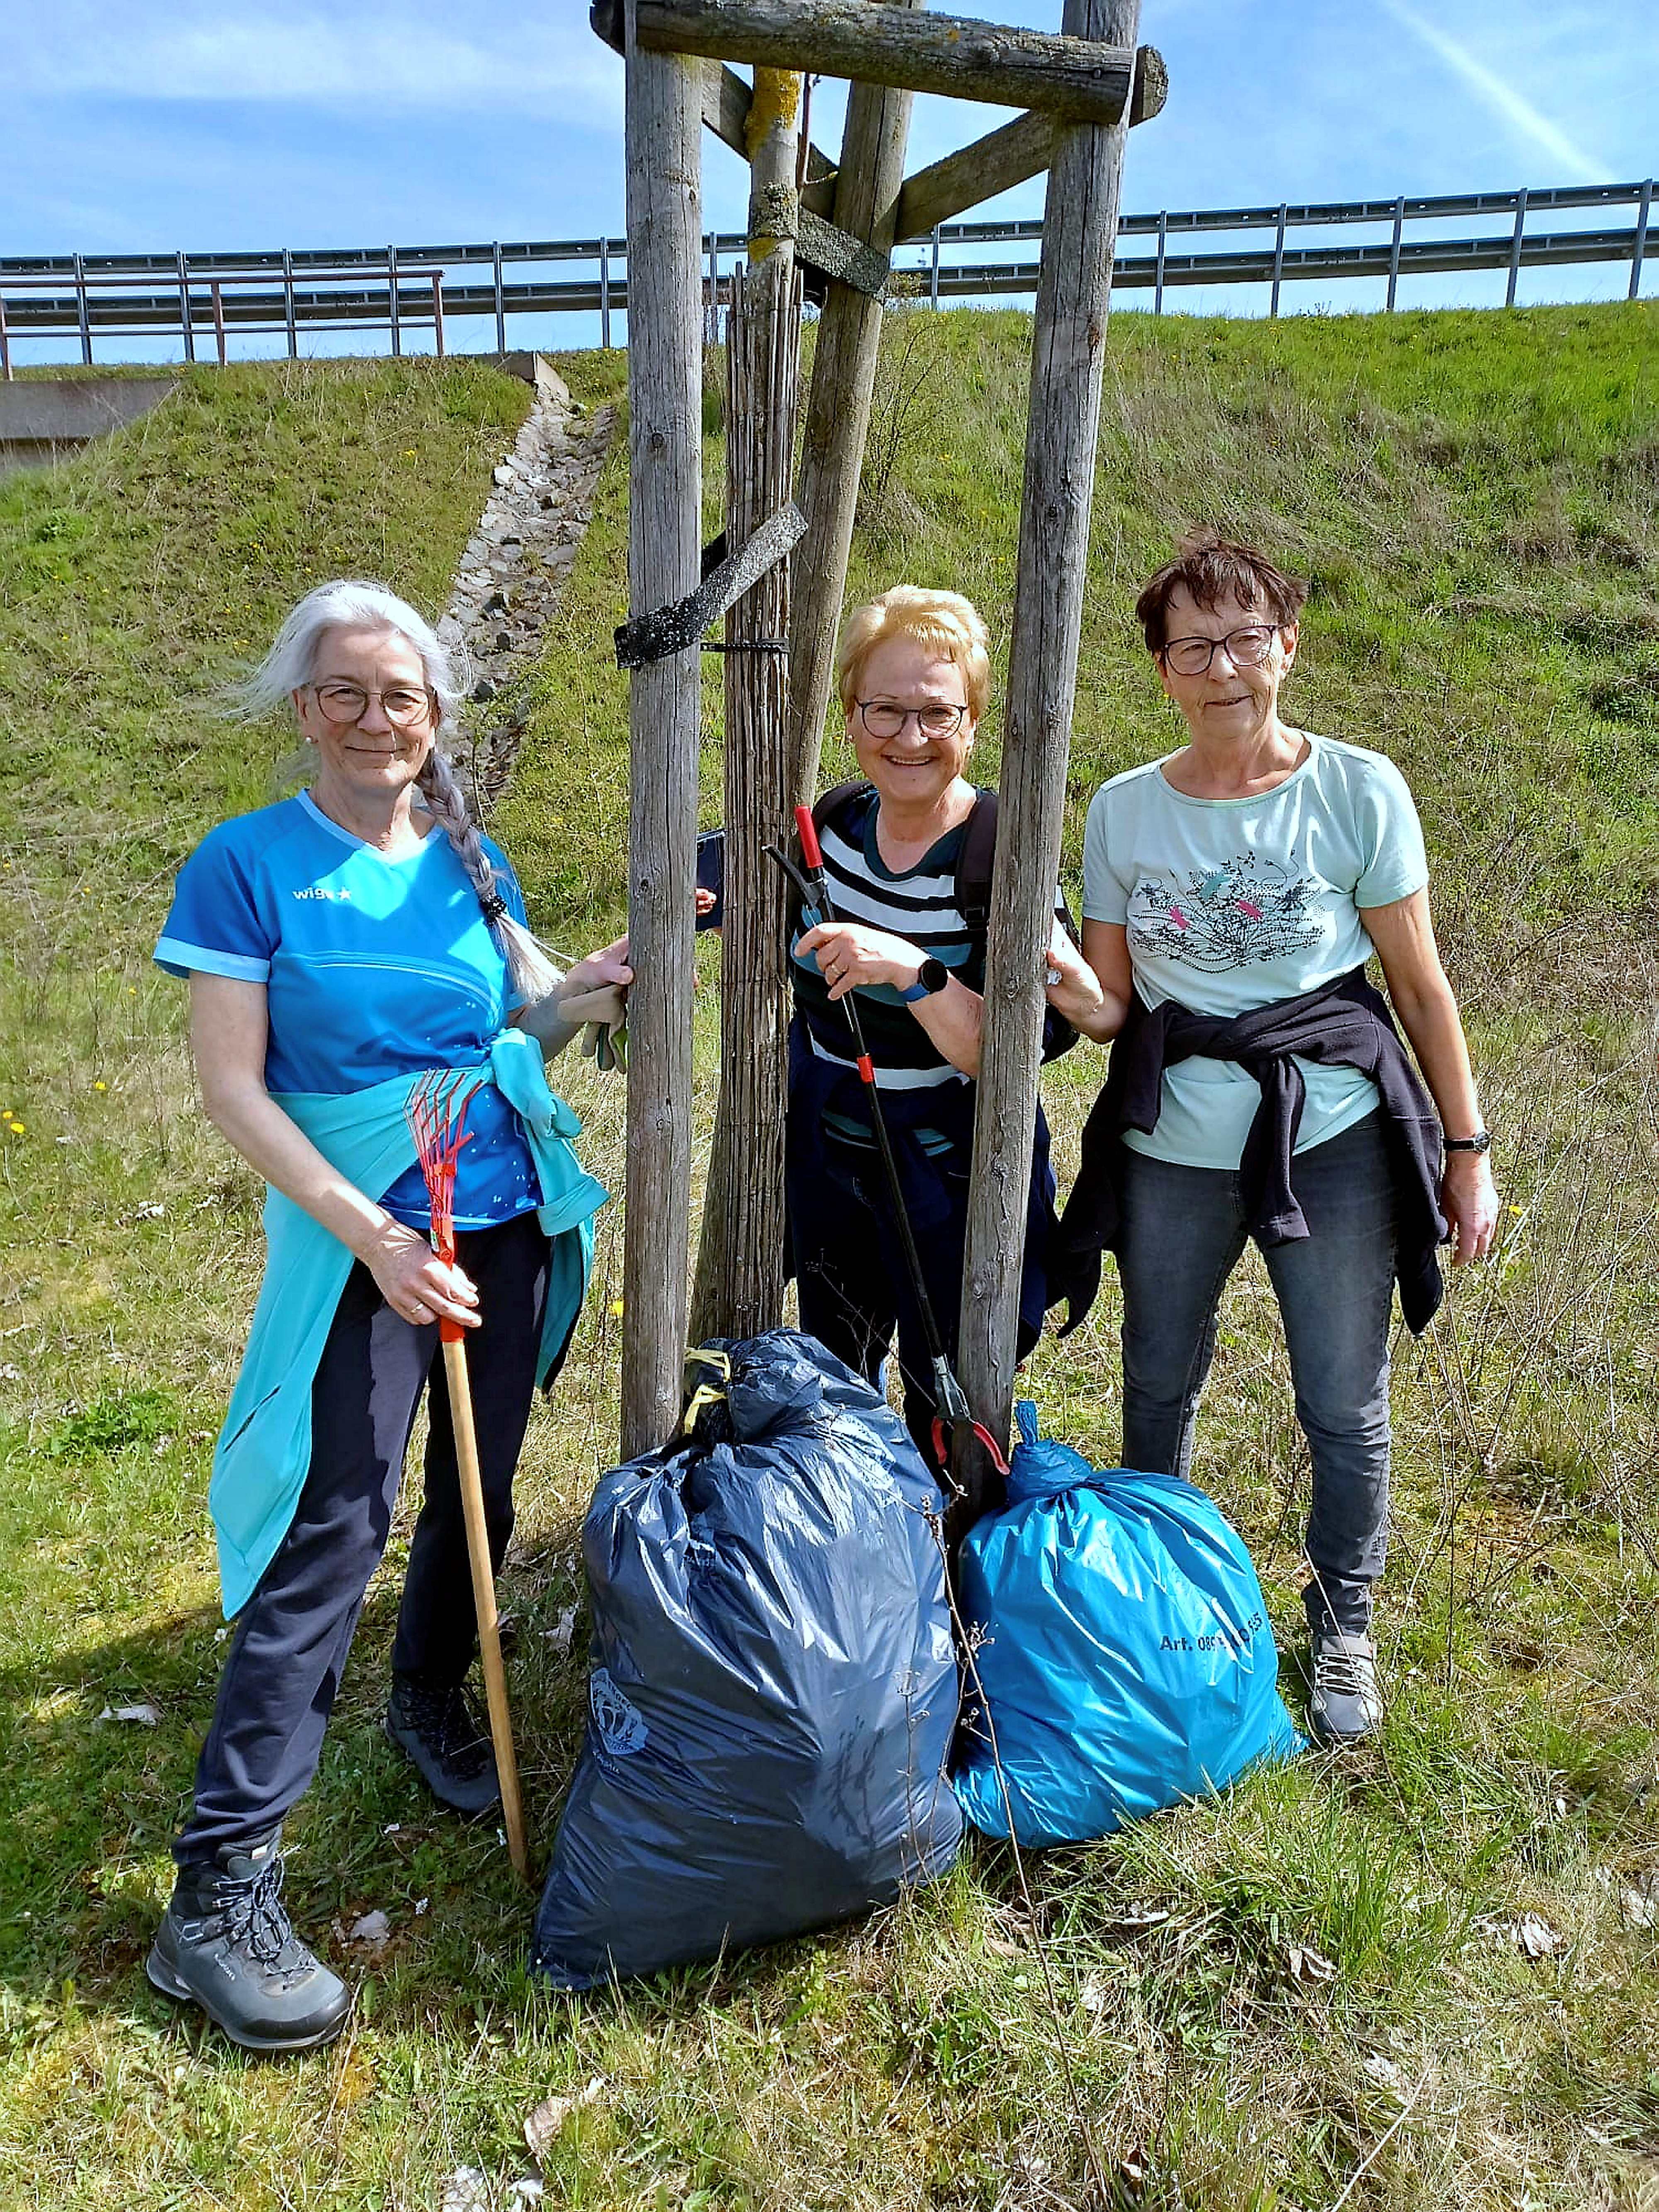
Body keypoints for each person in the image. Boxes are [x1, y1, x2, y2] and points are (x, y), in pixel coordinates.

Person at [147, 580, 628, 2052]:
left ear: (435, 716)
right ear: (305, 708)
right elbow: (236, 1089)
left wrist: (577, 997)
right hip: (367, 1235)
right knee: (335, 1517)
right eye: (345, 692)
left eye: (400, 695)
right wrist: (375, 1239)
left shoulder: (475, 858)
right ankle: (216, 1888)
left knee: (479, 1485)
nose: (375, 719)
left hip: (504, 1215)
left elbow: (502, 1036)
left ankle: (426, 1693)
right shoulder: (247, 864)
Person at [1056, 533, 1498, 1745]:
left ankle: (1343, 1617)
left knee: (1342, 1402)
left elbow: (1418, 984)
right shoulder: (1123, 809)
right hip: (1174, 1143)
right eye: (1192, 647)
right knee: (1157, 1380)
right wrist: (1059, 978)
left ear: (1287, 647)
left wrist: (1466, 1150)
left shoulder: (1358, 788)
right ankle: (1161, 1599)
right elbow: (1110, 1007)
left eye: (1245, 638)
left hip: (1336, 1136)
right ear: (1161, 670)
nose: (1222, 668)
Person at [784, 585, 1109, 1500]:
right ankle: (856, 1546)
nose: (909, 737)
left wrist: (914, 971)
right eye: (884, 709)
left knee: (950, 1392)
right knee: (836, 1373)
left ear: (973, 720)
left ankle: (955, 1548)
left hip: (950, 1179)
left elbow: (996, 1057)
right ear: (852, 712)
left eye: (937, 713)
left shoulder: (1002, 858)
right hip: (833, 1160)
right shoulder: (833, 827)